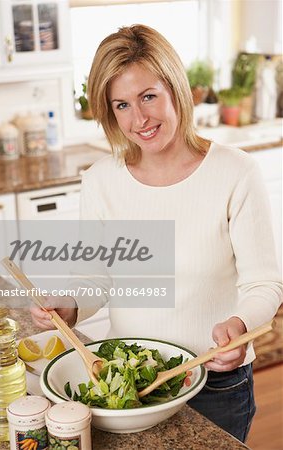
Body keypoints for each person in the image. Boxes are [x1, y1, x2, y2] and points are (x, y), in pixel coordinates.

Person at [30, 25, 282, 442]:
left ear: (175, 88)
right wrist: (71, 305)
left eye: (149, 96)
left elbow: (264, 283)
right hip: (126, 384)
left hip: (215, 384)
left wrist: (240, 324)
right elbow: (96, 278)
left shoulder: (236, 172)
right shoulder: (100, 181)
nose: (139, 119)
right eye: (122, 104)